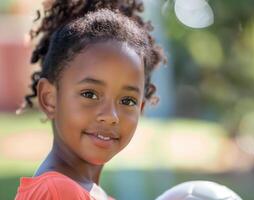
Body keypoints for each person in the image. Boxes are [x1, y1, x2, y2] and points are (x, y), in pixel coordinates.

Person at [14, 0, 165, 199]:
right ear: (49, 98)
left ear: (141, 108)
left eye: (128, 101)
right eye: (90, 94)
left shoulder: (89, 192)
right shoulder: (58, 191)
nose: (111, 116)